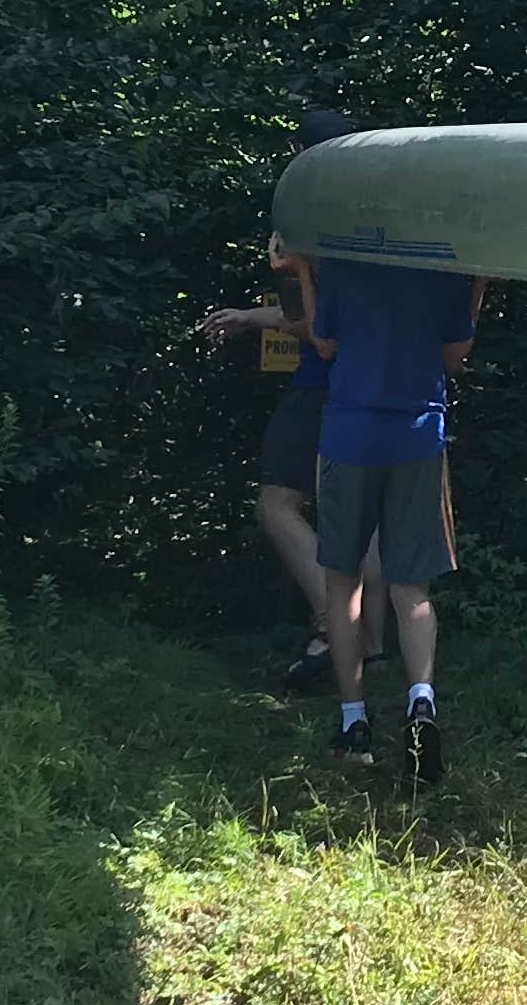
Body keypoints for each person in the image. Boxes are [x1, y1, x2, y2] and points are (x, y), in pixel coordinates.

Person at [195, 117, 380, 690]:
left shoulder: (310, 220)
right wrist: (250, 317)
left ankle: (333, 623)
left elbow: (316, 328)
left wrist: (274, 290)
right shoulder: (372, 219)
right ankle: (372, 644)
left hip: (321, 385)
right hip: (376, 384)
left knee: (277, 504)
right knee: (365, 517)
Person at [309, 241, 480, 784]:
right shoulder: (443, 264)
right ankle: (421, 702)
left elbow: (323, 343)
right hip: (418, 437)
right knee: (412, 586)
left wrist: (301, 272)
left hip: (349, 435)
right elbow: (454, 356)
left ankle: (354, 724)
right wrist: (479, 283)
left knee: (343, 581)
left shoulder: (341, 259)